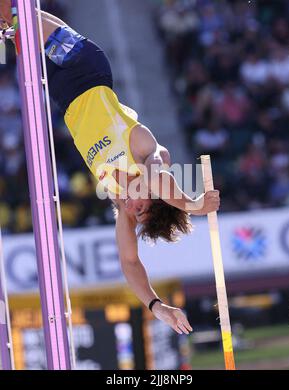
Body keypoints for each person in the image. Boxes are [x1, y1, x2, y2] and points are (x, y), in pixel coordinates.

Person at [0, 1, 221, 335]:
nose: (132, 207)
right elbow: (158, 179)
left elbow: (130, 263)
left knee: (15, 21)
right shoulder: (148, 153)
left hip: (64, 93)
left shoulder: (120, 200)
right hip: (85, 69)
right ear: (155, 197)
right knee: (18, 16)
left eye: (135, 213)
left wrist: (157, 306)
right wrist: (192, 204)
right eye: (142, 206)